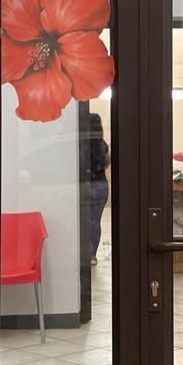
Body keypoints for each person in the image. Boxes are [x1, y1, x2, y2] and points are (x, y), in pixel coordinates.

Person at [84, 112, 110, 264]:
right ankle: (92, 255)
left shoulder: (82, 144)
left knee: (84, 221)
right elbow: (106, 163)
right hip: (101, 185)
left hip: (87, 184)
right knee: (95, 221)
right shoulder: (103, 145)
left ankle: (84, 252)